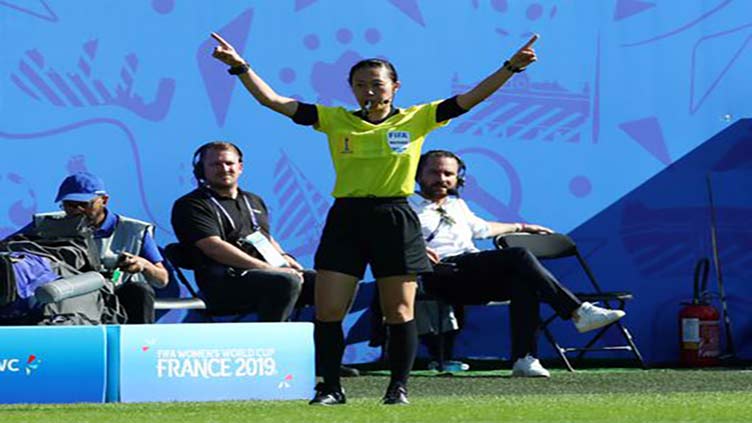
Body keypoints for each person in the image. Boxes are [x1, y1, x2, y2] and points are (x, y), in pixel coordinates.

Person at [209, 31, 539, 405]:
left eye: (377, 84)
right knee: (330, 308)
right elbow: (275, 101)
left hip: (395, 217)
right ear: (350, 88)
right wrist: (240, 67)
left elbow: (471, 98)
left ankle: (398, 388)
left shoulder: (420, 117)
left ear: (394, 87)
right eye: (360, 84)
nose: (368, 90)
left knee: (399, 310)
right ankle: (330, 387)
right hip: (347, 219)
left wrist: (511, 68)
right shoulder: (333, 120)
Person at [410, 150, 627, 377]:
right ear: (418, 175)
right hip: (439, 275)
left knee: (524, 281)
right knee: (519, 256)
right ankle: (577, 310)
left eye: (448, 173)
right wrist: (415, 248)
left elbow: (483, 228)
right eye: (434, 172)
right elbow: (387, 239)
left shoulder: (457, 205)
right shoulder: (406, 204)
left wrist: (523, 227)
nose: (442, 179)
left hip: (470, 273)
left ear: (457, 178)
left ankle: (525, 360)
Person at [171, 141, 311, 322]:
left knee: (320, 282)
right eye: (215, 164)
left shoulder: (253, 200)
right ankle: (271, 343)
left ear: (240, 167)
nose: (224, 169)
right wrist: (268, 269)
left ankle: (321, 343)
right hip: (223, 283)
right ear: (201, 170)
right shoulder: (191, 205)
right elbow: (213, 247)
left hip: (265, 274)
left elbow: (265, 238)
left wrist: (285, 259)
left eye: (229, 163)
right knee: (285, 282)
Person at [11, 172, 169, 323]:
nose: (76, 211)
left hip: (114, 298)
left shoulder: (134, 231)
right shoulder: (44, 224)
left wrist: (143, 264)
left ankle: (136, 347)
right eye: (69, 205)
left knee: (139, 291)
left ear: (104, 200)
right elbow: (9, 249)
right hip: (64, 296)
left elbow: (162, 279)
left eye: (84, 204)